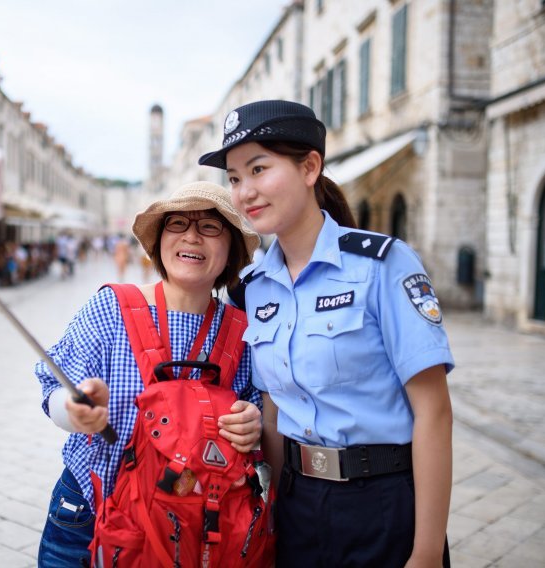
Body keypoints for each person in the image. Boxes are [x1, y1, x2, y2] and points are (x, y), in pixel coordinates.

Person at [199, 100, 455, 568]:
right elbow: (274, 412)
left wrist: (426, 552)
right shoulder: (254, 288)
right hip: (297, 506)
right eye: (234, 178)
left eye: (259, 169)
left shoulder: (383, 265)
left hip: (382, 504)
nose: (245, 192)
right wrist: (274, 512)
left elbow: (434, 413)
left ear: (309, 166)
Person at [34, 181, 264, 568]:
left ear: (231, 252)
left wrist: (251, 425)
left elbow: (254, 426)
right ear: (159, 241)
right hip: (88, 515)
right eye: (177, 223)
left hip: (187, 527)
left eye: (210, 226)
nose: (191, 235)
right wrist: (74, 411)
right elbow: (53, 390)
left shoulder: (243, 333)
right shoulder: (111, 308)